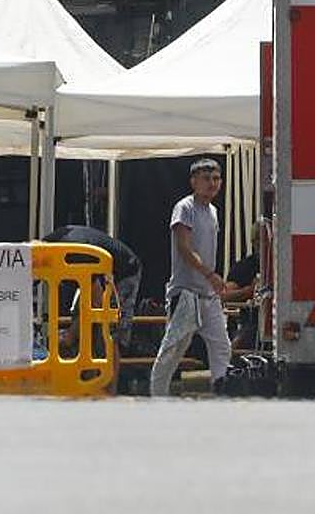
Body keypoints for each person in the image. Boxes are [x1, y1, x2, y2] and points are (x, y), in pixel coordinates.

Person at [150, 158, 231, 396]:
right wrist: (210, 274)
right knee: (173, 349)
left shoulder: (213, 211)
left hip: (208, 295)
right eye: (206, 179)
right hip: (186, 293)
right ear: (194, 182)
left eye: (216, 178)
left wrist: (213, 281)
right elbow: (184, 248)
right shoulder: (184, 207)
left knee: (221, 347)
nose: (212, 184)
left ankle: (221, 393)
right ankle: (158, 398)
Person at [42, 225, 142, 368]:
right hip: (94, 276)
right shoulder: (48, 248)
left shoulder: (75, 253)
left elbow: (95, 301)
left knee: (109, 332)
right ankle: (85, 380)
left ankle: (108, 389)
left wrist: (71, 333)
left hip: (122, 273)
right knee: (83, 326)